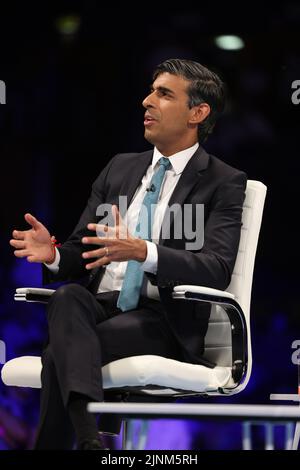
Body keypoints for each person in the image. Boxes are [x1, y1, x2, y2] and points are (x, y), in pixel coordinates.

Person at [10, 58, 247, 450]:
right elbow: (80, 251)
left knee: (60, 352)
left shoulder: (223, 182)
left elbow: (216, 269)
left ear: (198, 113)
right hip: (99, 307)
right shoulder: (118, 169)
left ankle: (82, 441)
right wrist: (52, 255)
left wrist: (146, 252)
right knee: (69, 297)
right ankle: (91, 442)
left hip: (163, 318)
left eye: (164, 94)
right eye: (151, 90)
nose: (146, 101)